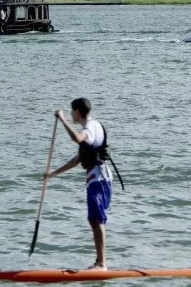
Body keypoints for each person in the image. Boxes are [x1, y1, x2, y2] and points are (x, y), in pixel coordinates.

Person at [45, 98, 113, 271]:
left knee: (97, 219)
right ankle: (99, 261)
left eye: (71, 111)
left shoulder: (90, 127)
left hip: (100, 178)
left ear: (77, 112)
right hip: (94, 179)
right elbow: (78, 159)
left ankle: (102, 265)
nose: (70, 114)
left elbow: (76, 138)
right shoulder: (89, 128)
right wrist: (53, 174)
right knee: (93, 219)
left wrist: (62, 119)